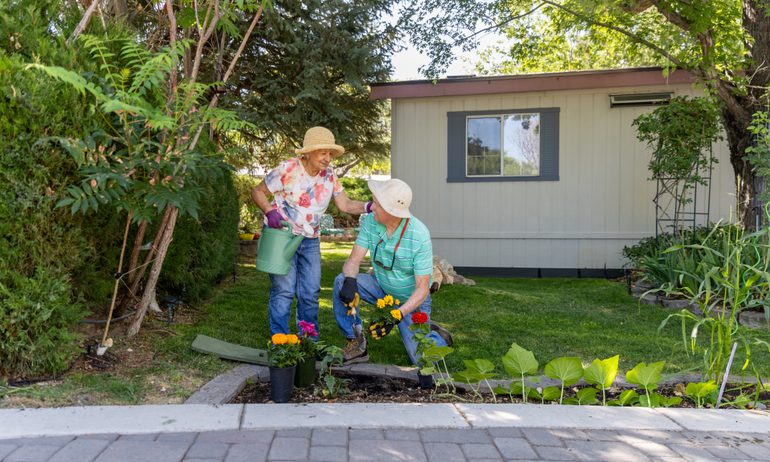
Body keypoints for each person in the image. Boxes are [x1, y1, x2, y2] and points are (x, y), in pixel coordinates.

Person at [251, 126, 371, 337]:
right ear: (308, 152)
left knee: (310, 292)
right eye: (323, 152)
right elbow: (258, 191)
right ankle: (280, 341)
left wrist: (369, 207)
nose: (328, 158)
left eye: (330, 154)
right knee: (284, 291)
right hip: (282, 238)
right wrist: (269, 211)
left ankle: (308, 342)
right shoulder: (288, 169)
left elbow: (345, 204)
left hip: (310, 240)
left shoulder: (330, 176)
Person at [332, 178, 452, 365]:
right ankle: (355, 342)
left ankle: (438, 337)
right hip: (380, 288)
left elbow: (422, 289)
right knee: (341, 280)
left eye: (377, 205)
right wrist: (350, 280)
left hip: (411, 301)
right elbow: (353, 261)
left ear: (392, 212)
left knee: (424, 362)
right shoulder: (371, 222)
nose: (371, 208)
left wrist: (395, 315)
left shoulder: (419, 235)